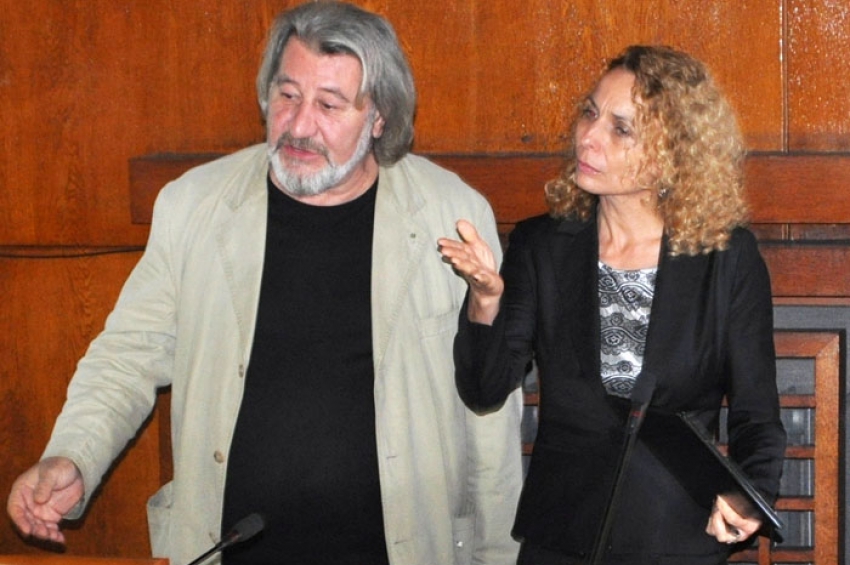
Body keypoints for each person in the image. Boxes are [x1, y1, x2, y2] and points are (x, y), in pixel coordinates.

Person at [6, 3, 523, 565]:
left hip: (400, 551)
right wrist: (73, 455)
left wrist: (497, 555)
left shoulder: (451, 216)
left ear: (379, 117)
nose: (299, 126)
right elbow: (127, 357)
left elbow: (489, 414)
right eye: (287, 95)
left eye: (329, 105)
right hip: (232, 546)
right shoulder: (194, 206)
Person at [438, 45, 786, 565]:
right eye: (590, 112)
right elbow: (484, 389)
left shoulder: (727, 258)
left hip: (676, 537)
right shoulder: (542, 245)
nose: (588, 136)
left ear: (674, 153)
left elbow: (757, 416)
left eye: (621, 129)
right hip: (562, 536)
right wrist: (486, 299)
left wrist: (748, 496)